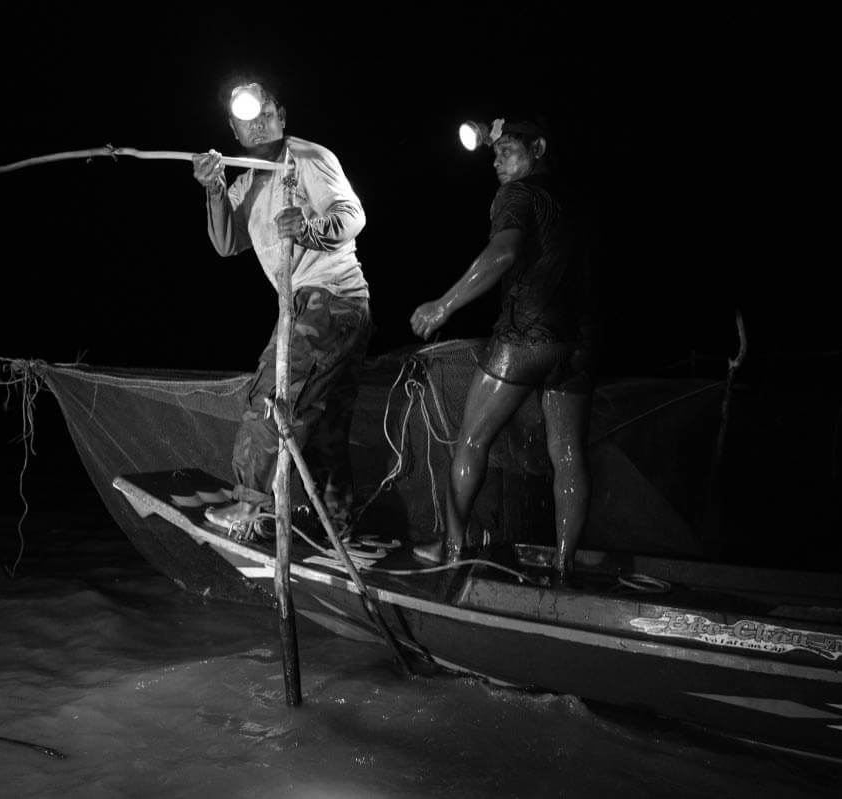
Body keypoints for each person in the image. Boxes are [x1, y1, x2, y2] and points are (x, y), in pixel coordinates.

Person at [410, 113, 597, 580]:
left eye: (508, 150)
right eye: (495, 153)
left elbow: (503, 253)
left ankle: (453, 547)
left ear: (538, 149)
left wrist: (442, 305)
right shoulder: (575, 197)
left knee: (472, 439)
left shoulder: (518, 194)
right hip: (578, 345)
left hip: (524, 340)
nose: (497, 161)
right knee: (568, 454)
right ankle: (564, 564)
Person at [191, 79, 372, 538]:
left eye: (265, 115)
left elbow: (353, 215)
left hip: (329, 298)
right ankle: (338, 527)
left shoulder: (308, 158)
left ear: (282, 116)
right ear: (234, 130)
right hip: (324, 307)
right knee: (326, 425)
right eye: (246, 121)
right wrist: (213, 190)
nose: (257, 126)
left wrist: (310, 227)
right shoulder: (246, 179)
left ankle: (250, 505)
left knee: (269, 401)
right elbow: (226, 243)